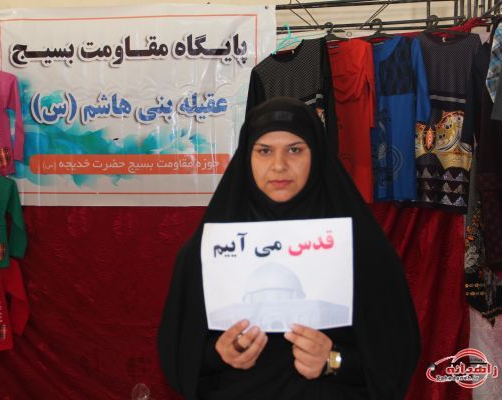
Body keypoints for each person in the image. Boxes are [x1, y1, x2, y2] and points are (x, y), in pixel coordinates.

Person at [158, 97, 420, 400]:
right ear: (247, 156)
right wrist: (219, 354)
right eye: (264, 151)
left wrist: (334, 361)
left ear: (316, 155)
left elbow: (395, 360)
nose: (279, 165)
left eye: (294, 150)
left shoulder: (363, 249)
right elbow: (179, 355)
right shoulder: (207, 252)